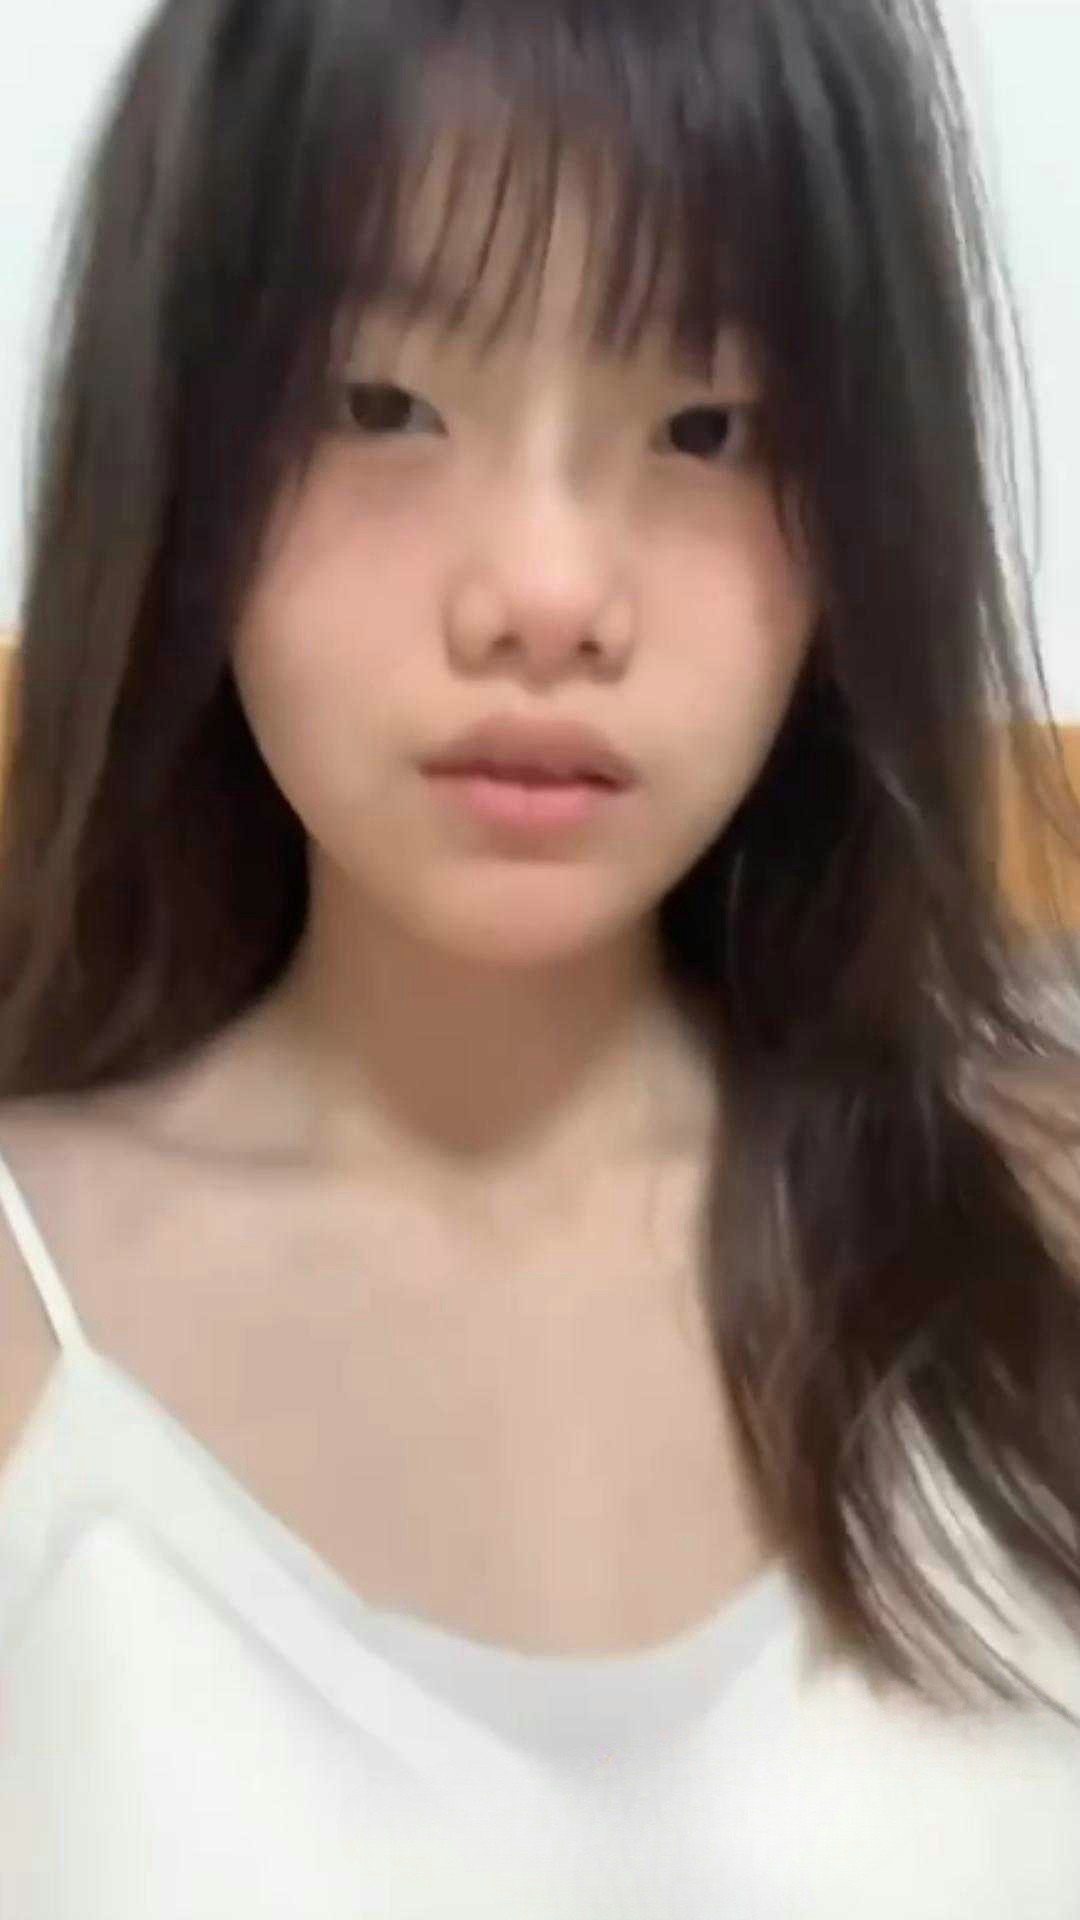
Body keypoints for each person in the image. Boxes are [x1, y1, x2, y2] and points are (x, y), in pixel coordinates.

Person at [1, 0, 1080, 1910]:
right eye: (377, 404)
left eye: (708, 427)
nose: (550, 593)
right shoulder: (33, 1313)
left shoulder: (1039, 1222)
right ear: (181, 450)